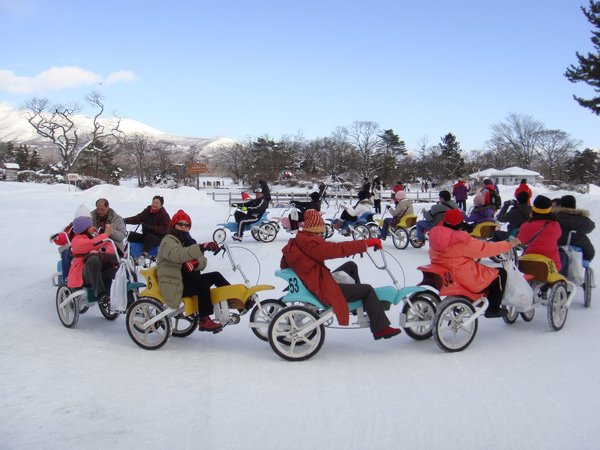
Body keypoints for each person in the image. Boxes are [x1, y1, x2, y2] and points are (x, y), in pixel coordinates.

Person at [280, 209, 401, 340]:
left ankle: (357, 305)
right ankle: (381, 329)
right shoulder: (311, 243)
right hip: (321, 285)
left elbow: (329, 247)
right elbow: (334, 249)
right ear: (315, 229)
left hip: (315, 278)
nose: (322, 235)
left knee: (351, 265)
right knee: (367, 290)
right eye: (321, 232)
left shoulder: (303, 239)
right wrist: (365, 244)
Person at [428, 209, 521, 318]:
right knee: (500, 274)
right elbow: (485, 249)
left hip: (446, 275)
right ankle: (493, 309)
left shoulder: (436, 237)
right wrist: (509, 244)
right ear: (461, 223)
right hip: (462, 277)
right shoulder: (461, 241)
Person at [156, 210, 227, 332]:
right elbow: (178, 255)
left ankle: (233, 301)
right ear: (174, 225)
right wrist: (201, 247)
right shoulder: (168, 241)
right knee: (202, 285)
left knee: (216, 275)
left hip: (187, 280)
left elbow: (203, 261)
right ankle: (204, 320)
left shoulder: (189, 241)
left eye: (186, 225)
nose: (183, 227)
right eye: (180, 224)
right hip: (174, 284)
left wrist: (196, 263)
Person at [67, 215, 118, 304]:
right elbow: (92, 244)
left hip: (99, 270)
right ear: (84, 229)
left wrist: (102, 250)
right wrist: (106, 234)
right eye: (90, 226)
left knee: (120, 271)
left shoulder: (95, 235)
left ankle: (133, 301)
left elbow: (110, 246)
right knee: (93, 259)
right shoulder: (76, 240)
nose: (93, 228)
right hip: (83, 273)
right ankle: (100, 294)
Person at [517, 195, 563, 271]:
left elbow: (521, 240)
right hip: (551, 265)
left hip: (530, 263)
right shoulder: (555, 225)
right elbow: (558, 236)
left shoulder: (526, 226)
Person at [125, 195, 171, 265]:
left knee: (149, 236)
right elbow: (137, 218)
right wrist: (125, 220)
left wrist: (150, 227)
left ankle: (144, 256)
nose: (154, 204)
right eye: (153, 202)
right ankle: (127, 254)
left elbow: (165, 229)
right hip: (146, 237)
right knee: (131, 235)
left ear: (161, 205)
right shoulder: (147, 211)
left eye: (157, 203)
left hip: (159, 239)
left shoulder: (164, 215)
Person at [554, 194, 595, 262]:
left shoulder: (554, 217)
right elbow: (590, 226)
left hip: (556, 249)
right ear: (574, 205)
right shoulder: (583, 220)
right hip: (580, 251)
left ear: (560, 205)